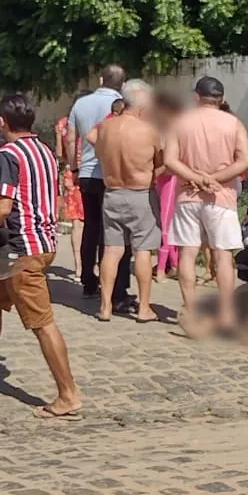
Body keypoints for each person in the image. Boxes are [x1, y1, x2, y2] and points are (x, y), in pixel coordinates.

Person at [0, 93, 81, 420]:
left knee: (43, 324)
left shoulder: (8, 154)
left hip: (22, 253)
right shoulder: (45, 151)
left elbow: (3, 207)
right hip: (44, 243)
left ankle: (68, 395)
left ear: (2, 122)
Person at [164, 76, 248, 336]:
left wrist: (195, 177)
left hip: (188, 195)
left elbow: (170, 160)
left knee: (188, 253)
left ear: (196, 97)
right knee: (223, 255)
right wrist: (214, 179)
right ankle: (225, 314)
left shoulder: (180, 123)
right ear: (221, 99)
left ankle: (192, 311)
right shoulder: (234, 124)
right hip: (220, 196)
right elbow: (244, 161)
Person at [92, 79, 161, 323]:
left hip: (112, 192)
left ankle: (105, 307)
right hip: (140, 193)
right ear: (143, 107)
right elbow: (161, 161)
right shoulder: (148, 131)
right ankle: (144, 308)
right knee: (143, 251)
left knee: (112, 250)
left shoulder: (106, 128)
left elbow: (99, 153)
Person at [66, 64, 132, 309]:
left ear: (101, 79)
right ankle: (114, 285)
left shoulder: (80, 104)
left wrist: (74, 167)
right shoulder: (123, 105)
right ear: (122, 83)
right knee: (113, 231)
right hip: (112, 174)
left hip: (86, 174)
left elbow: (71, 138)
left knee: (91, 226)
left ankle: (87, 281)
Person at [55, 91, 90, 280]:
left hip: (72, 174)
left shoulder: (63, 124)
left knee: (77, 223)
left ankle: (78, 267)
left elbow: (60, 153)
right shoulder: (96, 121)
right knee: (94, 221)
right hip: (93, 172)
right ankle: (93, 265)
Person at [152, 91, 184, 282]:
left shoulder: (172, 131)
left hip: (169, 180)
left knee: (165, 224)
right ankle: (174, 264)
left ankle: (164, 268)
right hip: (161, 180)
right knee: (164, 223)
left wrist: (156, 172)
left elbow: (169, 163)